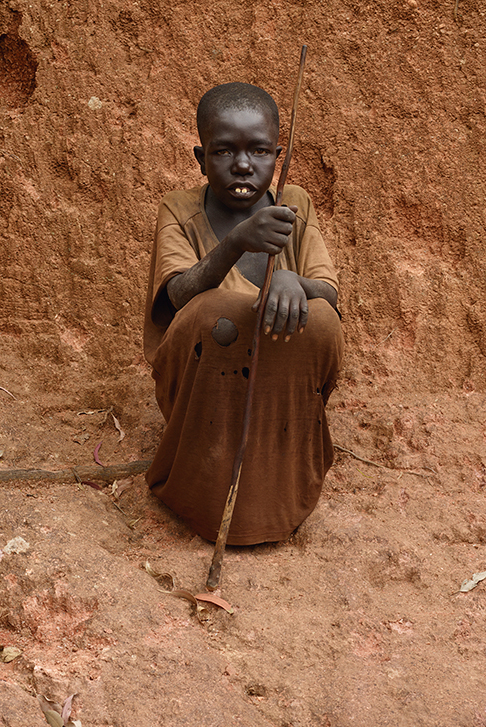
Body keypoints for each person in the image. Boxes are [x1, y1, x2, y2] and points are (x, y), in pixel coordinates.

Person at [143, 82, 344, 545]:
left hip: (279, 392)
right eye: (223, 152)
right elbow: (177, 295)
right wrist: (235, 242)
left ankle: (281, 476)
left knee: (321, 320)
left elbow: (329, 294)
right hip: (208, 386)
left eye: (258, 151)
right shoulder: (179, 209)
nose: (242, 165)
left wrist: (295, 281)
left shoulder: (295, 205)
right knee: (218, 314)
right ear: (200, 157)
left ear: (277, 155)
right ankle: (204, 488)